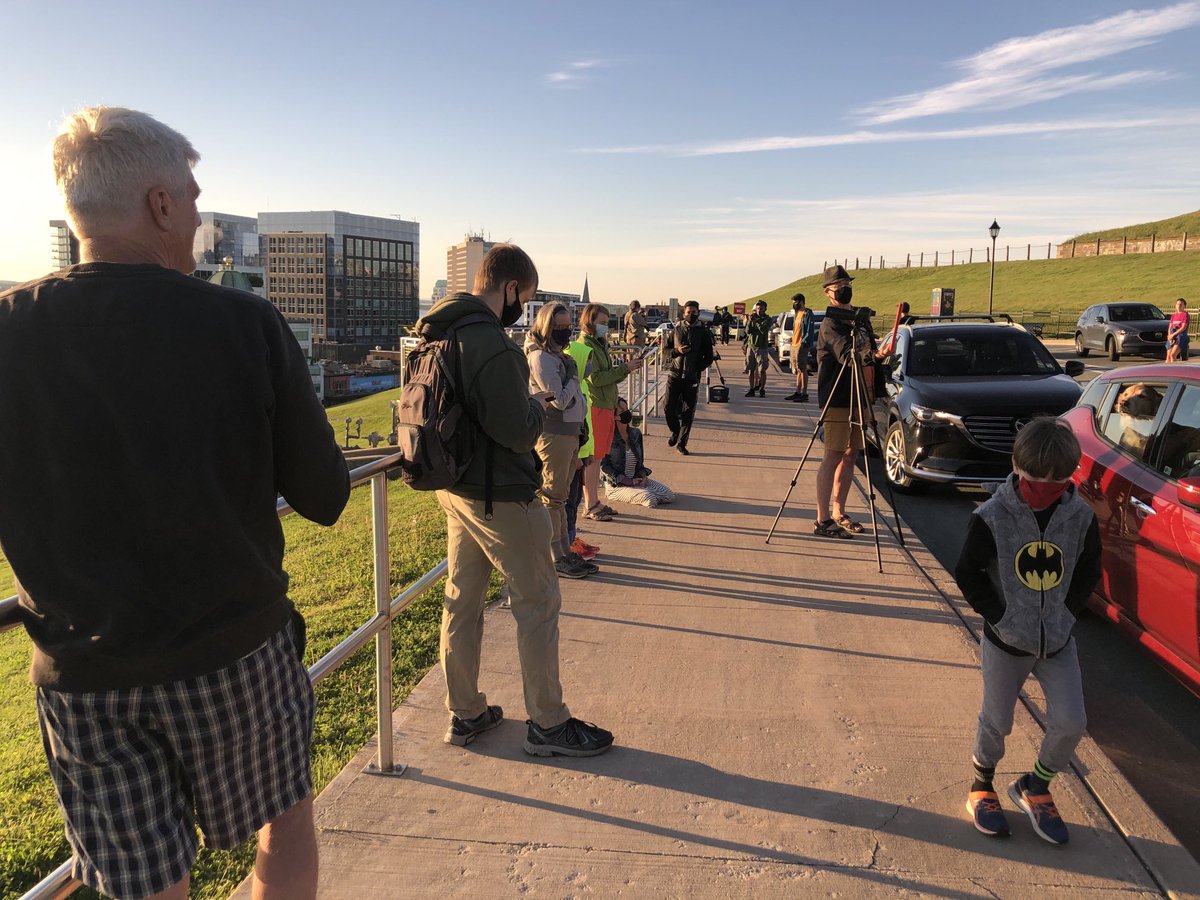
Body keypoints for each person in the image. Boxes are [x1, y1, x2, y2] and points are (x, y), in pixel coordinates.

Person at [0, 106, 351, 900]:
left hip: (83, 672)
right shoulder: (244, 322)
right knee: (285, 821)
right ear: (159, 204)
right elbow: (325, 497)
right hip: (235, 650)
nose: (198, 218)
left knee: (145, 884)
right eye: (191, 199)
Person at [419, 244, 613, 758]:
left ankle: (465, 713)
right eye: (524, 297)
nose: (522, 307)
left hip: (455, 489)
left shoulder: (436, 332)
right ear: (509, 288)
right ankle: (549, 723)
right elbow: (515, 431)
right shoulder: (492, 345)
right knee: (540, 600)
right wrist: (531, 407)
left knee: (462, 603)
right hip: (500, 494)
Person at [954, 418, 1100, 844]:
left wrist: (1067, 614)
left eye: (1057, 483)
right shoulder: (993, 516)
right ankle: (982, 785)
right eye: (1037, 482)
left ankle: (1034, 786)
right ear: (1017, 465)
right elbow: (968, 572)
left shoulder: (1079, 517)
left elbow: (1089, 569)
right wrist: (1000, 615)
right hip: (1005, 641)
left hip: (1057, 642)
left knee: (1071, 723)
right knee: (997, 721)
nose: (1046, 491)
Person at [524, 303, 597, 579]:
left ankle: (566, 552)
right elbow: (560, 402)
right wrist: (573, 376)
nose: (566, 333)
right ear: (546, 327)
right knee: (553, 497)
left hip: (569, 434)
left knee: (562, 497)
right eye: (560, 328)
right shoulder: (542, 359)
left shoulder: (557, 357)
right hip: (554, 435)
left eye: (569, 327)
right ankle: (557, 557)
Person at [813, 264, 875, 539]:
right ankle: (822, 519)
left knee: (852, 454)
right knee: (834, 454)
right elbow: (846, 354)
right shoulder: (830, 324)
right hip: (837, 396)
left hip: (859, 394)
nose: (846, 290)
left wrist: (879, 355)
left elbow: (869, 351)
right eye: (840, 287)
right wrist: (865, 352)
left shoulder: (860, 318)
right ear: (829, 293)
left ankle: (840, 511)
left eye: (848, 284)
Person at [579, 303, 642, 521]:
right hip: (595, 405)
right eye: (602, 323)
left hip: (605, 405)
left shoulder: (600, 344)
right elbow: (595, 379)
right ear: (590, 322)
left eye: (607, 323)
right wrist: (625, 369)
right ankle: (589, 504)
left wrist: (624, 371)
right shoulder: (586, 346)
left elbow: (606, 376)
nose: (606, 327)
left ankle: (594, 501)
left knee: (597, 458)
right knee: (592, 459)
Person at [601, 398, 676, 507]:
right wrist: (627, 481)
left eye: (627, 409)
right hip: (617, 484)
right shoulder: (608, 436)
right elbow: (604, 466)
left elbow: (640, 464)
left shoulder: (635, 433)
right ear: (614, 416)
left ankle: (640, 492)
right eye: (622, 412)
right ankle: (640, 494)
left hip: (636, 480)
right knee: (650, 499)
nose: (626, 413)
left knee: (669, 495)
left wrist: (643, 476)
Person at [664, 299, 716, 455]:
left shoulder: (704, 332)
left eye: (694, 313)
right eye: (688, 312)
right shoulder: (677, 329)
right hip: (674, 374)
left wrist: (696, 368)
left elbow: (709, 357)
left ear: (698, 313)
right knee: (668, 408)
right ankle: (675, 430)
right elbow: (665, 350)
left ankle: (682, 442)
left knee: (688, 411)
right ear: (683, 313)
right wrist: (677, 351)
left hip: (691, 378)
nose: (691, 315)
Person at [785, 293, 814, 402]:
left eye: (795, 302)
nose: (794, 304)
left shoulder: (807, 313)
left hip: (802, 345)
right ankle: (797, 391)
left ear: (801, 301)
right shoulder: (797, 313)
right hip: (794, 345)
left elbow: (809, 330)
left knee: (803, 368)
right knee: (797, 369)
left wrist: (804, 342)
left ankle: (804, 393)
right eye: (793, 303)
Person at [744, 300, 772, 397]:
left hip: (762, 348)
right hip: (752, 346)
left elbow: (763, 330)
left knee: (762, 370)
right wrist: (749, 322)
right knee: (751, 369)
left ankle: (762, 389)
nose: (759, 311)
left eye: (761, 309)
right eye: (757, 309)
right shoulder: (753, 318)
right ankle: (751, 388)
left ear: (765, 309)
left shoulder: (768, 319)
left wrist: (756, 322)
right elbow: (747, 331)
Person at [1167, 297, 1190, 362]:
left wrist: (1173, 335)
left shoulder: (1185, 315)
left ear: (1184, 306)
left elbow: (1183, 327)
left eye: (1181, 304)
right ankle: (1167, 371)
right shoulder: (1173, 315)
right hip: (1172, 336)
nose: (1179, 306)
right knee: (1168, 357)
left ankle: (1174, 371)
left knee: (1172, 355)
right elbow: (1170, 327)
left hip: (1180, 336)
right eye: (1177, 304)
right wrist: (1169, 336)